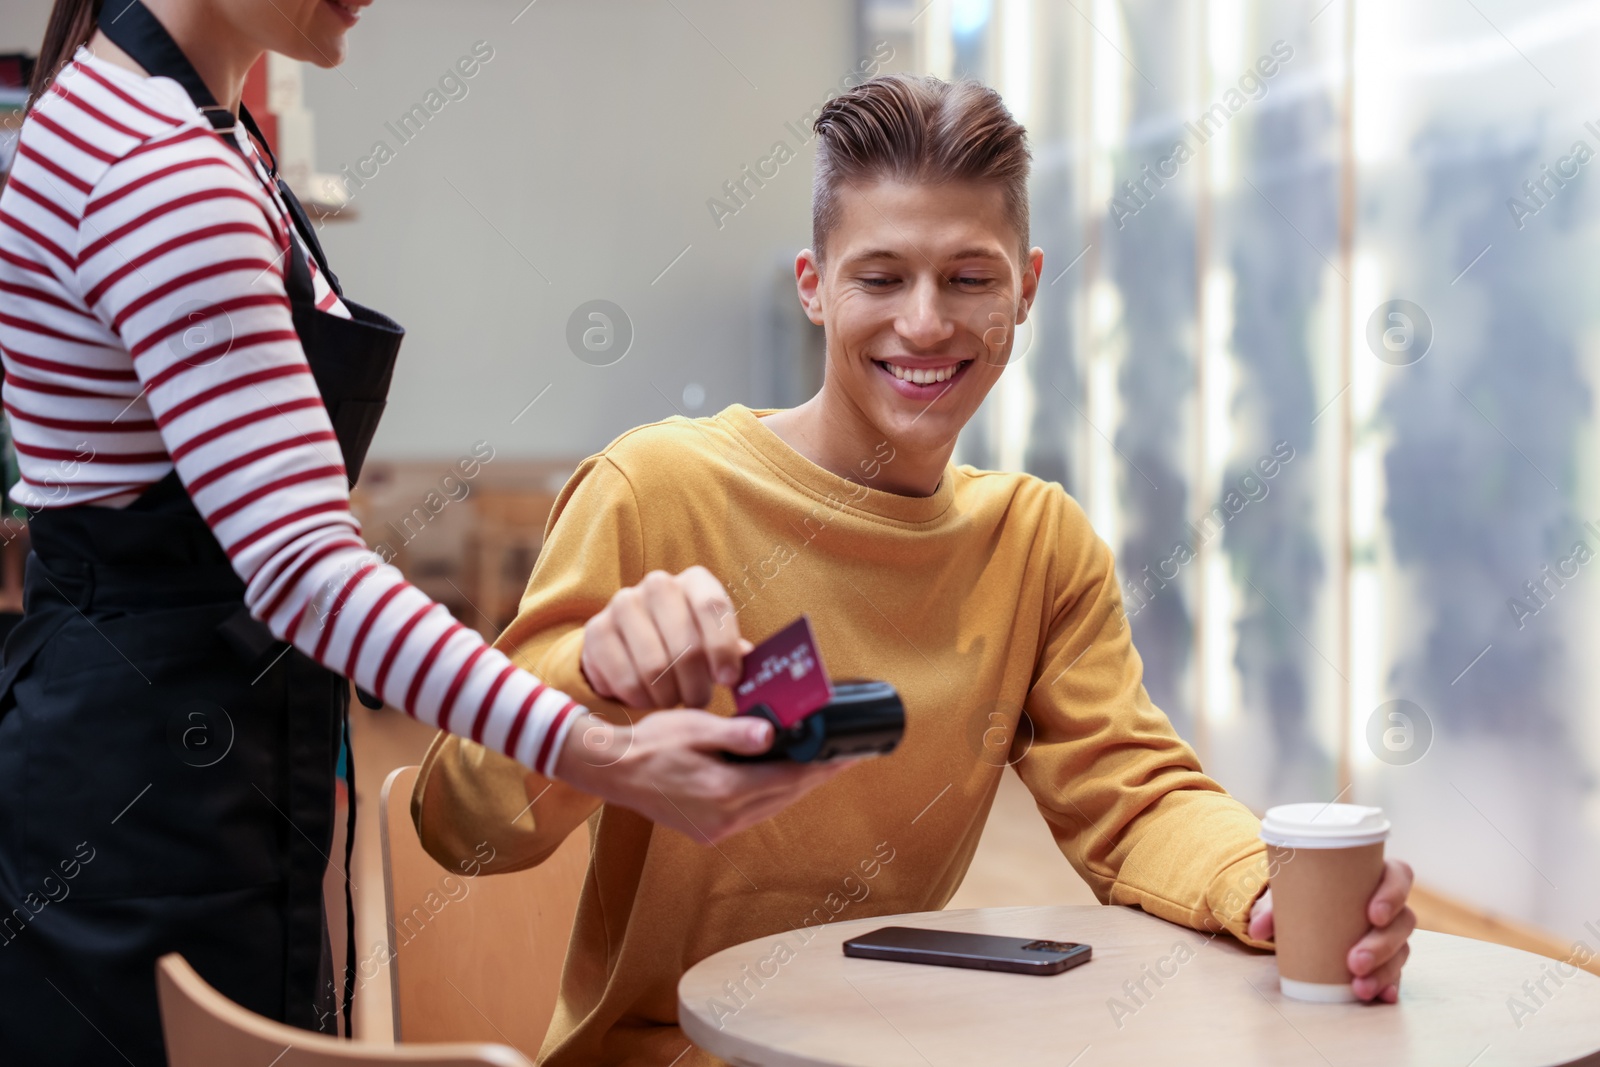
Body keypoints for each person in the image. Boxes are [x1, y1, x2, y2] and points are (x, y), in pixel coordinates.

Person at [411, 74, 1419, 1067]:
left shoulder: (1033, 544)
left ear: (1024, 287)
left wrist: (1260, 885)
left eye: (968, 278)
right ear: (814, 285)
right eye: (881, 276)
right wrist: (590, 677)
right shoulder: (654, 488)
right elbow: (464, 829)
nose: (927, 322)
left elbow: (1132, 794)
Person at [0, 2, 839, 1063]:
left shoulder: (124, 104)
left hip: (134, 745)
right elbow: (304, 568)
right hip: (157, 807)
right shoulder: (163, 175)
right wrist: (604, 752)